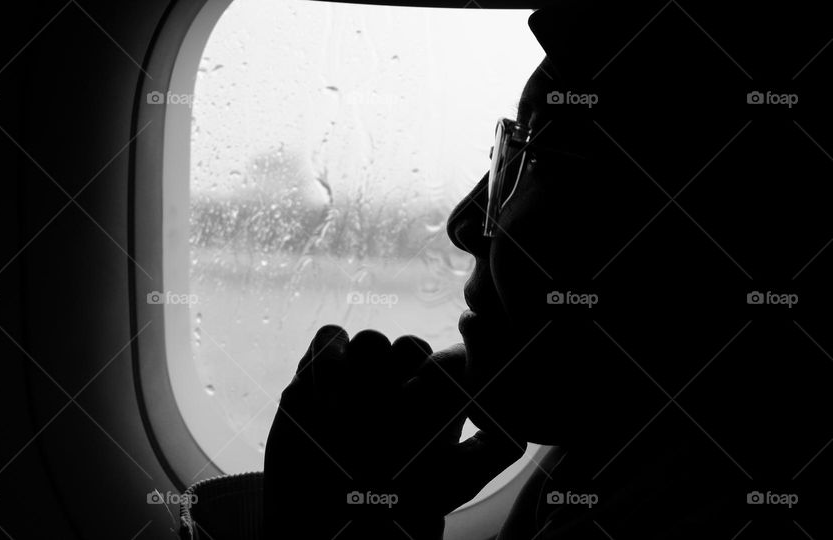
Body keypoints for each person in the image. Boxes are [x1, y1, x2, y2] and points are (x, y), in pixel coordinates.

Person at [264, 2, 832, 538]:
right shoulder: (608, 463)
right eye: (504, 154)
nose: (464, 222)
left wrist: (318, 526)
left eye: (534, 158)